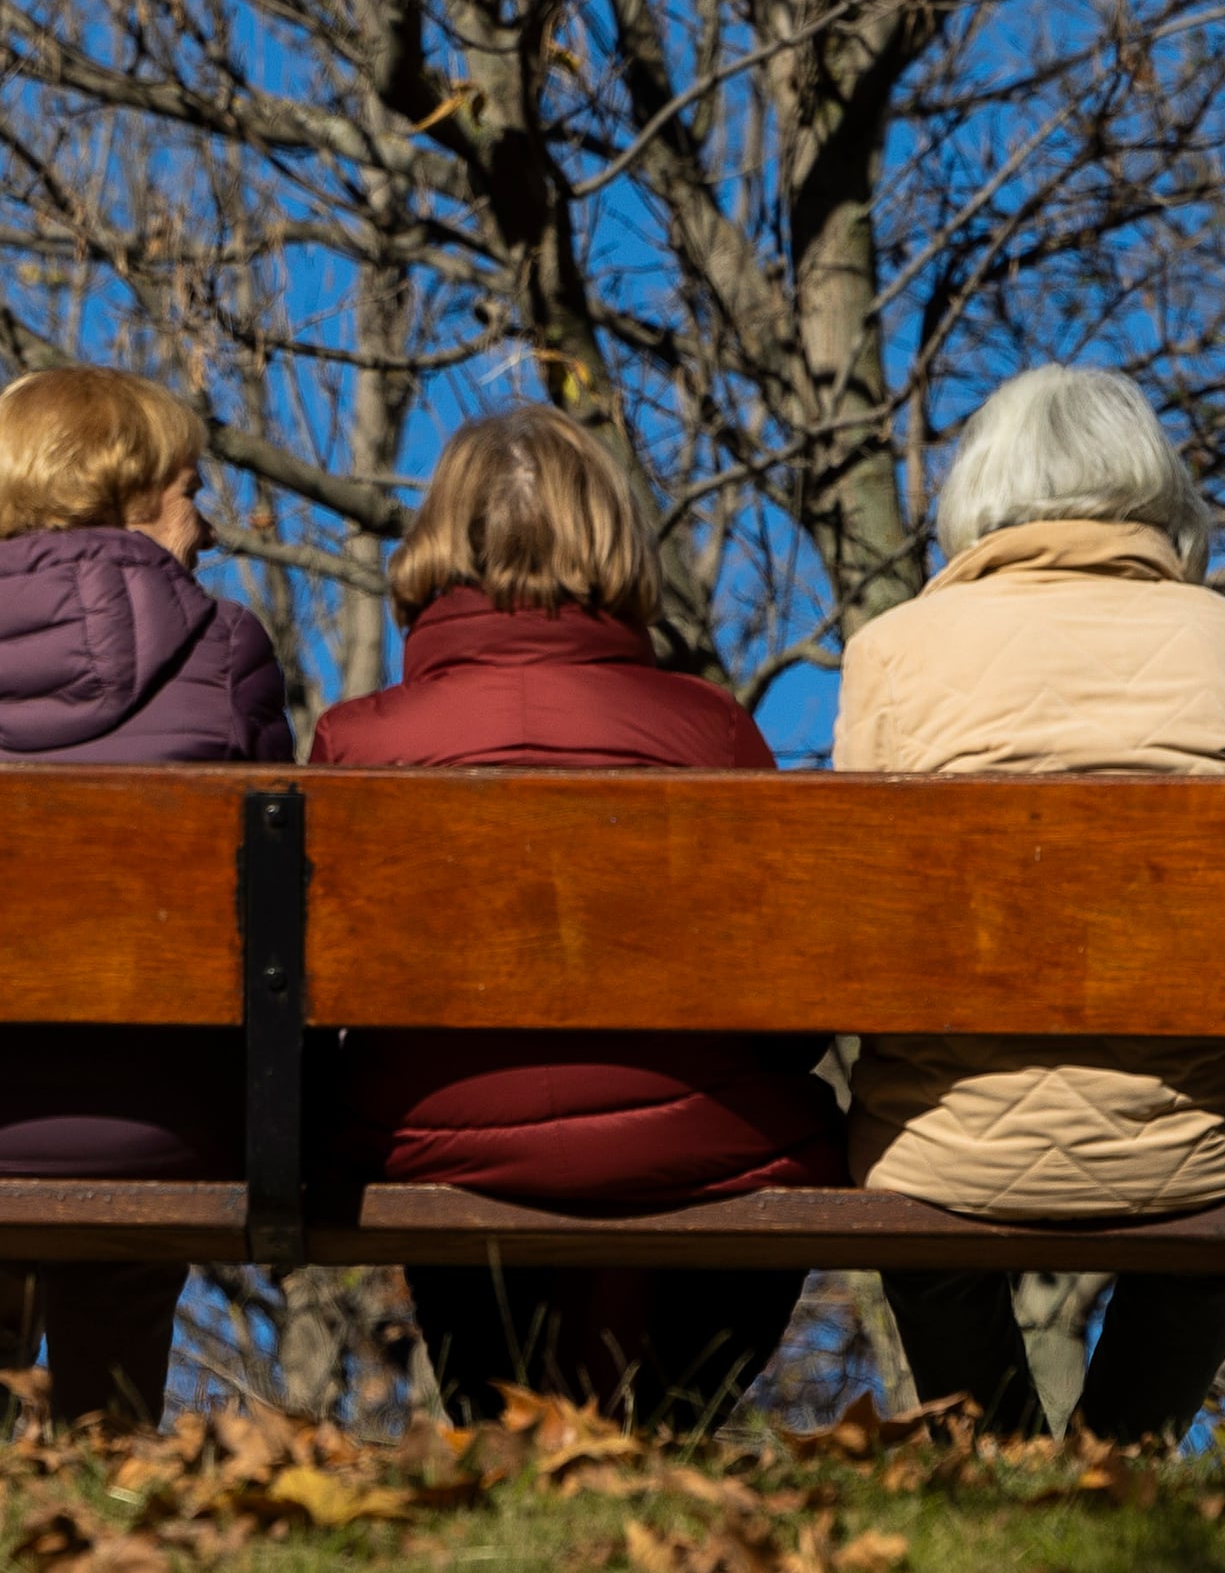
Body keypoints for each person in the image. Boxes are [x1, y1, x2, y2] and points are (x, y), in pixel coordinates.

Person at [310, 402, 841, 1423]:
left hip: (424, 1135)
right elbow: (795, 1010)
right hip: (695, 1139)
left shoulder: (356, 739)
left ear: (434, 543)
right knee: (794, 1128)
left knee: (421, 1121)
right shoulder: (707, 729)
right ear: (609, 540)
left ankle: (505, 1427)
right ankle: (663, 1431)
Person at [841, 365, 1225, 1446]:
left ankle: (997, 1458)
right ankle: (1119, 1458)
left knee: (919, 1204)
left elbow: (852, 918)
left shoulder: (893, 651)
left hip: (942, 1140)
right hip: (1196, 1142)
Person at [0, 365, 291, 1426]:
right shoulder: (227, 644)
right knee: (142, 1094)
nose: (210, 528)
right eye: (193, 493)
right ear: (128, 493)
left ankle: (18, 1302)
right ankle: (102, 1457)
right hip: (171, 1122)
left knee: (39, 1044)